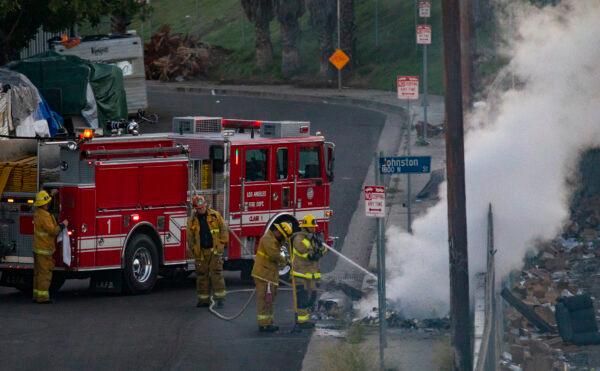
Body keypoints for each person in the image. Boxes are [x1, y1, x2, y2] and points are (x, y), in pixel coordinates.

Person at [187, 195, 229, 307]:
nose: (201, 209)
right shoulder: (192, 221)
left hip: (214, 250)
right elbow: (190, 237)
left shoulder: (215, 216)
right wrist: (193, 250)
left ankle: (220, 299)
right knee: (202, 276)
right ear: (195, 208)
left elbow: (224, 230)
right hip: (201, 252)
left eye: (202, 207)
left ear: (205, 205)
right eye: (199, 208)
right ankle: (203, 300)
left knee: (217, 274)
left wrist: (222, 244)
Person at [252, 222, 293, 333]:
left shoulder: (274, 240)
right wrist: (286, 261)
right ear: (278, 232)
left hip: (269, 275)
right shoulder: (268, 239)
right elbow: (274, 254)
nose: (282, 239)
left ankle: (269, 322)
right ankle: (263, 324)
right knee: (264, 300)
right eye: (282, 236)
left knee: (269, 300)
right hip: (263, 275)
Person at [291, 214, 327, 328]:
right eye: (312, 227)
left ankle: (305, 319)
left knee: (312, 296)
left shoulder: (311, 237)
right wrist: (314, 251)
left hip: (310, 274)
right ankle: (301, 322)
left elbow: (323, 251)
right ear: (305, 227)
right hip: (300, 274)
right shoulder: (299, 238)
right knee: (302, 297)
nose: (314, 228)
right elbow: (304, 252)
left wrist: (320, 244)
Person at [32, 190, 68, 304]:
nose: (48, 204)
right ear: (43, 204)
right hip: (44, 250)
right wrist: (63, 225)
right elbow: (53, 231)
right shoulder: (45, 216)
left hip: (38, 248)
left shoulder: (37, 213)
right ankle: (43, 297)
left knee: (37, 273)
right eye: (47, 202)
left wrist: (52, 194)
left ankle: (36, 295)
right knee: (45, 274)